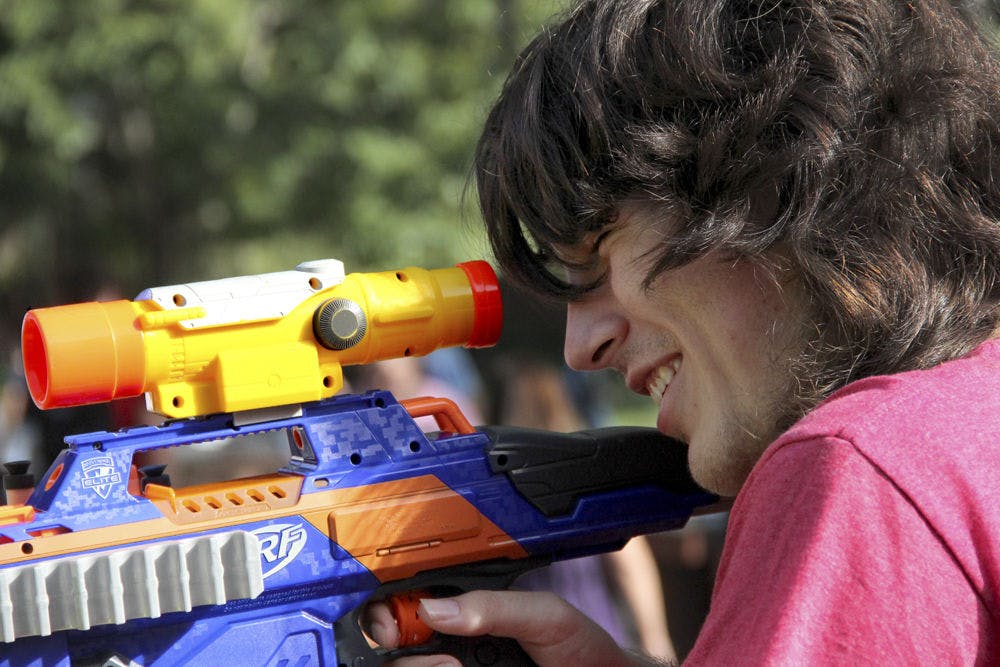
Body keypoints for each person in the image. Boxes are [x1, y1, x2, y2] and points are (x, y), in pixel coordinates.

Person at [369, 0, 1000, 664]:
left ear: (774, 179)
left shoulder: (855, 462)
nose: (579, 348)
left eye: (601, 253)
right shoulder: (965, 426)